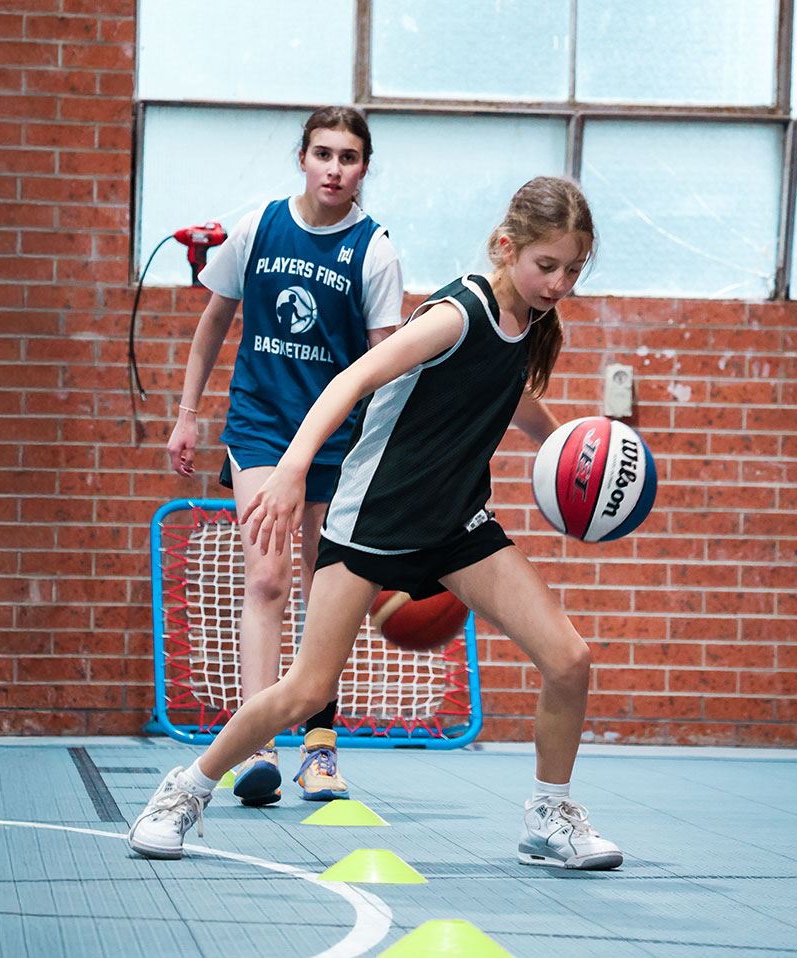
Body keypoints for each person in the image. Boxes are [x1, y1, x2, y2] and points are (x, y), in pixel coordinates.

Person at [132, 176, 623, 871]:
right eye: (549, 266)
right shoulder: (457, 315)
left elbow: (516, 402)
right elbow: (350, 381)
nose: (560, 282)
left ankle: (549, 815)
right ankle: (186, 791)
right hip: (373, 520)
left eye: (573, 270)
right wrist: (295, 469)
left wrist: (570, 451)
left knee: (569, 660)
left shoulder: (533, 323)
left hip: (456, 523)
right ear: (506, 247)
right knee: (304, 691)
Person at [167, 106, 405, 806]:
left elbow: (388, 365)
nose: (335, 168)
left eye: (349, 157)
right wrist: (187, 416)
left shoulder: (375, 250)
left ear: (364, 167)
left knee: (327, 590)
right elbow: (214, 322)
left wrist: (391, 455)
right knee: (268, 578)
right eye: (323, 153)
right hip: (263, 426)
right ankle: (254, 748)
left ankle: (320, 748)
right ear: (302, 157)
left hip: (339, 436)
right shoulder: (259, 226)